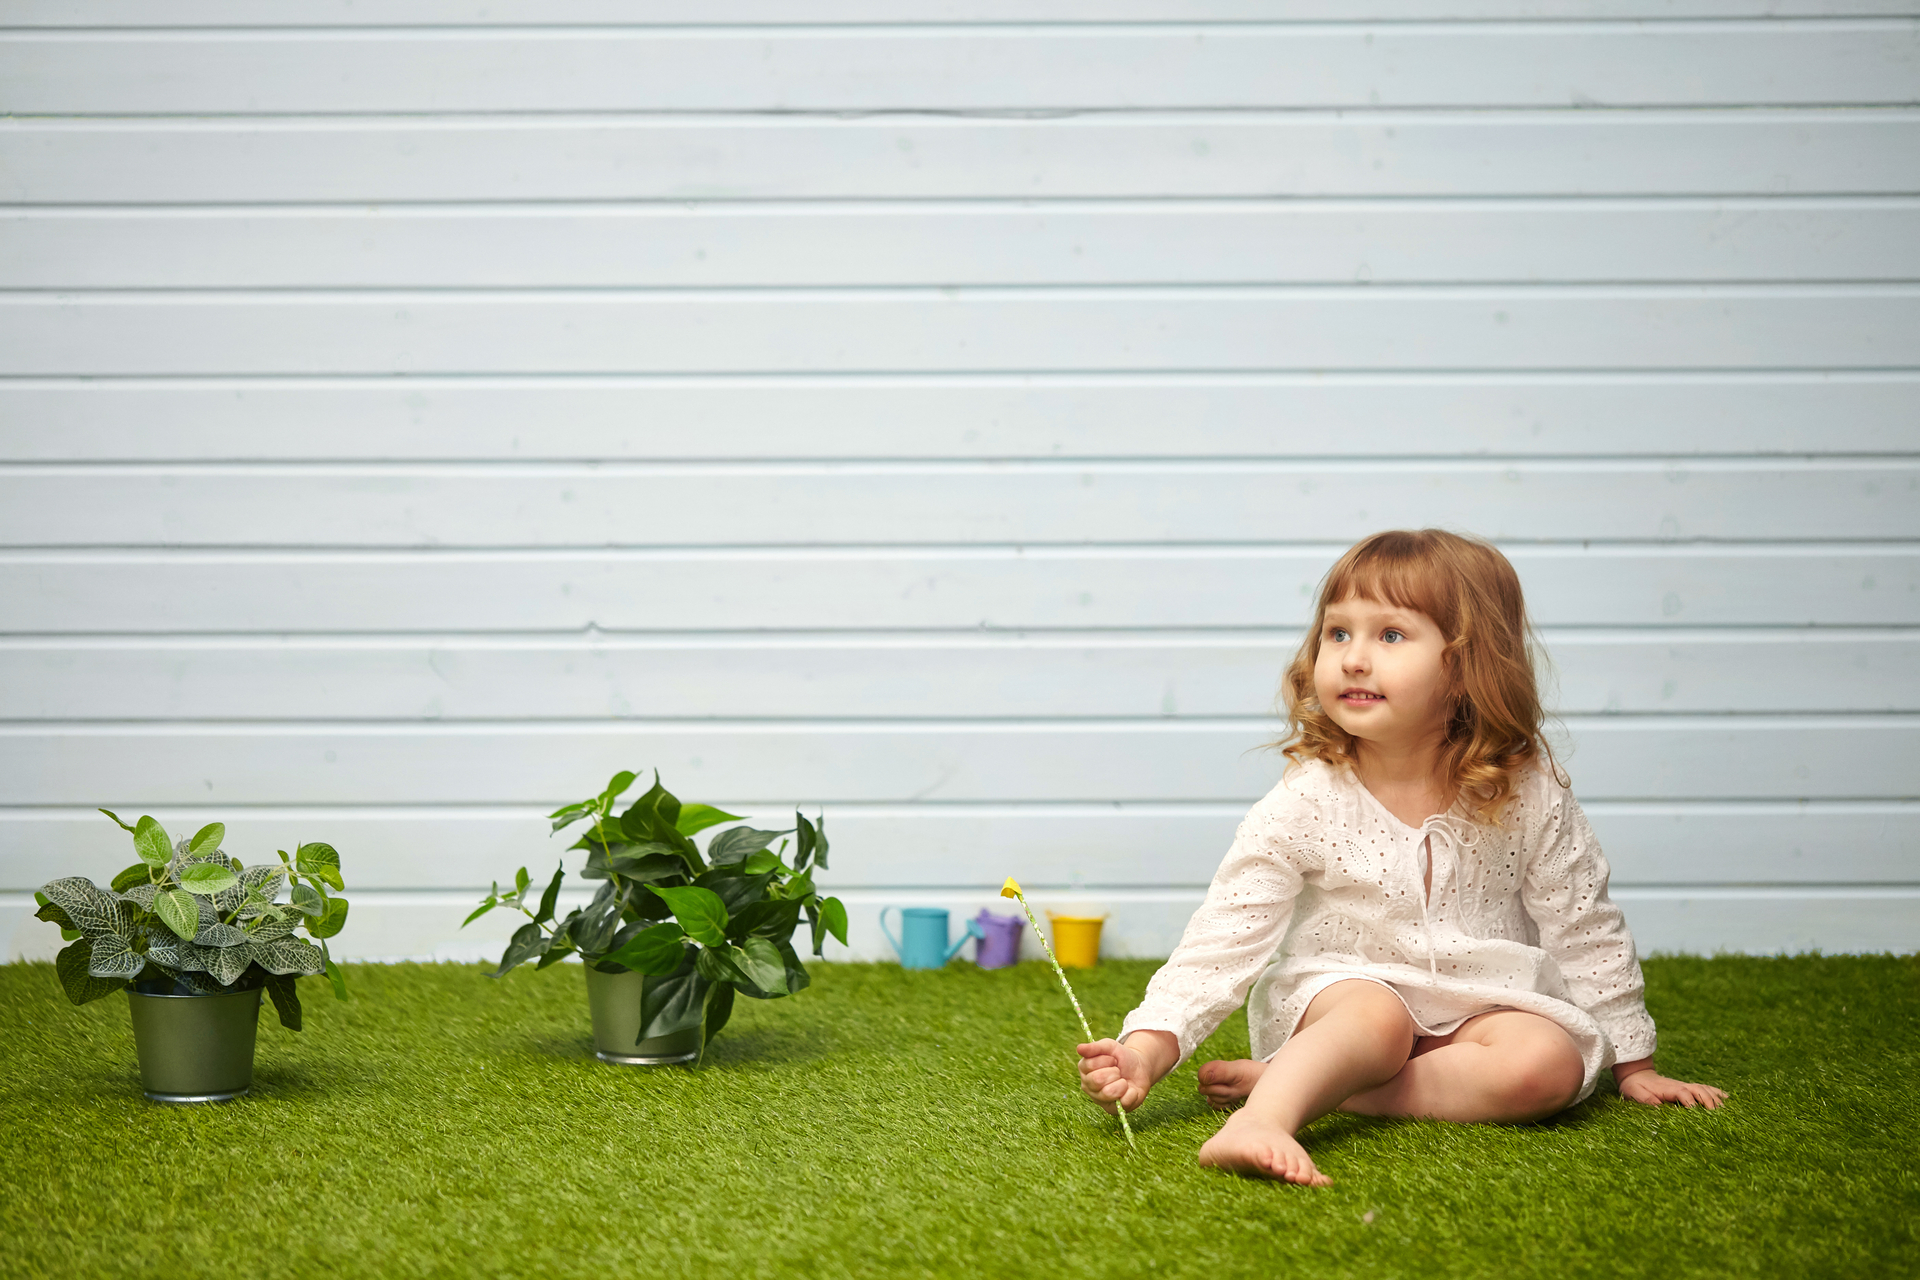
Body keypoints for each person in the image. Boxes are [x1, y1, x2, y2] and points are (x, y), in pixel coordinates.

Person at [1076, 529, 1726, 1185]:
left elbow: (1583, 923)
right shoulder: (1309, 798)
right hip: (1345, 1001)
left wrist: (1634, 1062)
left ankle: (1305, 1086)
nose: (1354, 659)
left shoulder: (1527, 791)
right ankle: (1263, 1119)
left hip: (1480, 1004)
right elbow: (1225, 934)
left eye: (1390, 635)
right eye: (1337, 633)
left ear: (1469, 664)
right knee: (1378, 1017)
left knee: (1546, 1065)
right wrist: (1149, 1045)